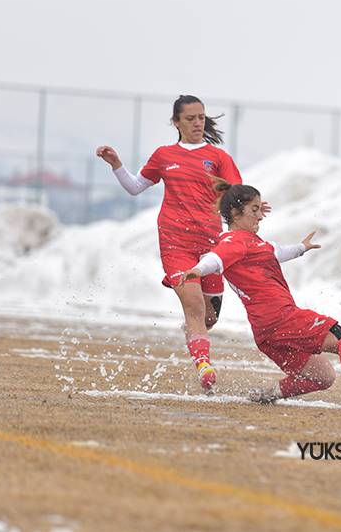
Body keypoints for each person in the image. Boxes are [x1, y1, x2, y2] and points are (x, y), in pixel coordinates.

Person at [95, 95, 258, 394]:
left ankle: (194, 338)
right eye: (190, 119)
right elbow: (134, 187)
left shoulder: (218, 158)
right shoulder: (164, 155)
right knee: (194, 306)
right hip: (175, 242)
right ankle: (205, 369)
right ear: (176, 122)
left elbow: (236, 196)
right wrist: (117, 164)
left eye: (201, 118)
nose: (198, 123)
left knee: (209, 317)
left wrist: (252, 211)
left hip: (211, 246)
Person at [179, 181, 341, 404]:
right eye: (254, 210)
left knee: (323, 377)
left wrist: (301, 248)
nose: (260, 216)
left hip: (266, 333)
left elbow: (278, 252)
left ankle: (267, 394)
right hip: (283, 319)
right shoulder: (234, 241)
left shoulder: (254, 243)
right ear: (236, 213)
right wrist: (198, 270)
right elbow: (216, 258)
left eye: (260, 209)